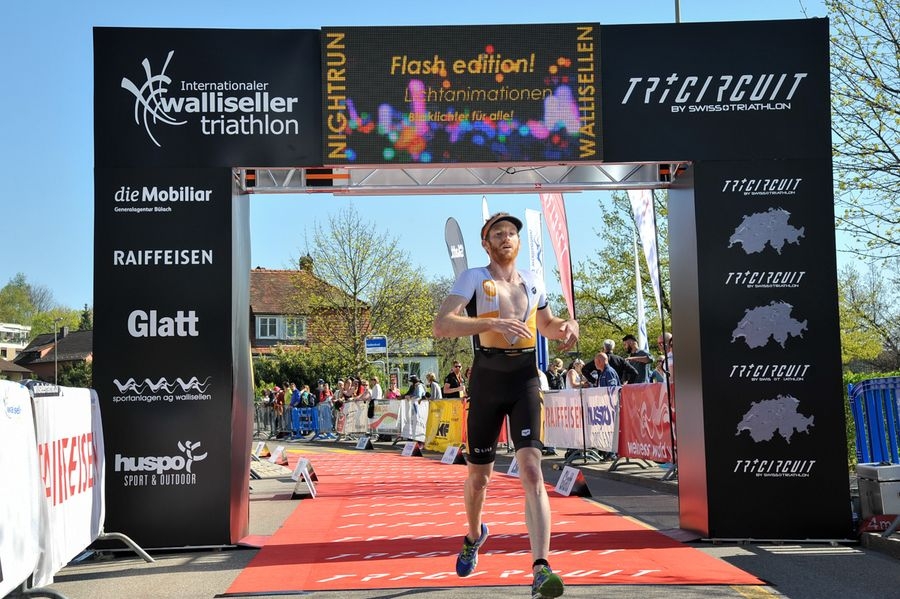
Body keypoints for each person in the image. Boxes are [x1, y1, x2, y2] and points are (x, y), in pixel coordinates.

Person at [433, 212, 578, 599]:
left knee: (531, 470)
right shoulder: (473, 278)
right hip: (487, 380)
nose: (506, 238)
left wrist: (567, 325)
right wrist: (490, 324)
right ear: (486, 243)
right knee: (479, 478)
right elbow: (442, 324)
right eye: (498, 233)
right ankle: (473, 535)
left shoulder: (533, 279)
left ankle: (541, 568)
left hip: (525, 378)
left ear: (518, 240)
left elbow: (546, 324)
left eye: (512, 232)